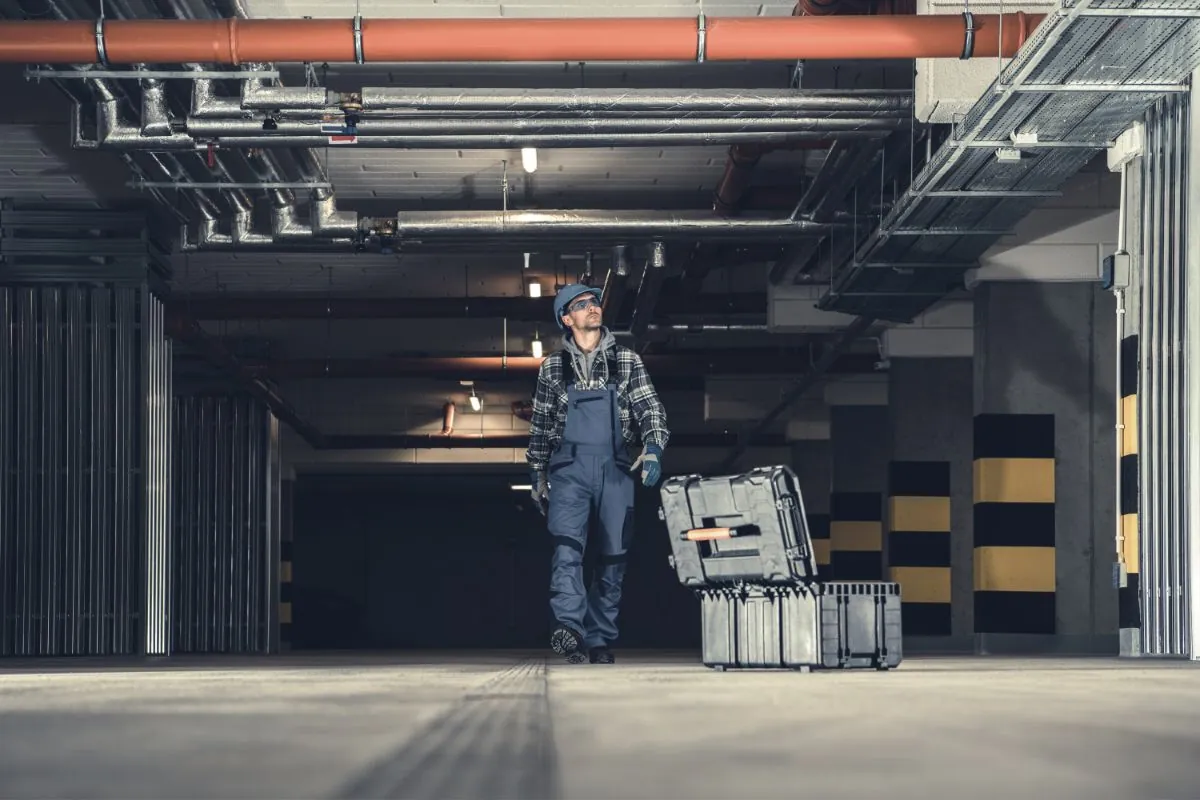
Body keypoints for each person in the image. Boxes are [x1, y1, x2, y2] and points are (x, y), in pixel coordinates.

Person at [526, 283, 670, 664]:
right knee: (567, 549)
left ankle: (599, 638)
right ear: (566, 318)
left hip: (616, 466)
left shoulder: (627, 360)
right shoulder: (552, 367)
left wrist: (652, 447)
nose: (593, 307)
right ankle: (569, 629)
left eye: (595, 302)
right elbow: (540, 425)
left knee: (614, 557)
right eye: (582, 305)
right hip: (569, 468)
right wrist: (538, 474)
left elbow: (649, 408)